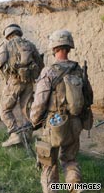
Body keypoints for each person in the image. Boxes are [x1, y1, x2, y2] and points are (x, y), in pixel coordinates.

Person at [30, 30, 93, 193]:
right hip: (75, 122)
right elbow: (88, 97)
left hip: (54, 125)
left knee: (48, 163)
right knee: (69, 159)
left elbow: (39, 102)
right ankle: (77, 188)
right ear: (69, 46)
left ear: (53, 47)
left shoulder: (48, 71)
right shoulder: (78, 69)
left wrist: (34, 120)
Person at [0, 24, 44, 147]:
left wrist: (6, 74)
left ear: (8, 34)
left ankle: (14, 135)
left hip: (14, 81)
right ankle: (27, 134)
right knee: (25, 109)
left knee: (4, 110)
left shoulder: (6, 45)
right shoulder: (30, 45)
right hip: (28, 82)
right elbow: (40, 63)